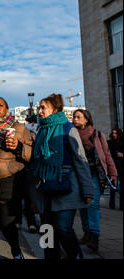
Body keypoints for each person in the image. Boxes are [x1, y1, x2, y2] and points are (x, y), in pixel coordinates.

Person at [28, 94, 94, 259]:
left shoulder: (68, 128)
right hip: (44, 190)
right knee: (47, 230)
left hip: (66, 187)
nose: (40, 111)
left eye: (43, 107)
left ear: (55, 109)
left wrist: (87, 191)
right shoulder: (41, 129)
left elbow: (81, 160)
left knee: (63, 227)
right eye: (39, 108)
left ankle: (75, 256)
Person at [0, 97, 33, 259]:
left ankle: (16, 251)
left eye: (0, 105)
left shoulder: (19, 128)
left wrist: (18, 146)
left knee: (6, 222)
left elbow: (30, 154)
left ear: (7, 109)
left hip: (9, 181)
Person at [72, 109, 118, 252]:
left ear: (87, 119)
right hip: (78, 174)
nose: (75, 119)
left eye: (78, 117)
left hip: (94, 173)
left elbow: (107, 154)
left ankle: (94, 237)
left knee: (92, 203)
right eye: (74, 117)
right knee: (82, 205)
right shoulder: (72, 135)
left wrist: (113, 173)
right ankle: (87, 233)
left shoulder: (97, 134)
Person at [108, 128, 123, 210]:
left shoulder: (122, 143)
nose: (114, 135)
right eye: (113, 133)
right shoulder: (110, 143)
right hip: (113, 166)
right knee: (112, 186)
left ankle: (121, 206)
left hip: (121, 166)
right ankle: (112, 205)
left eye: (116, 133)